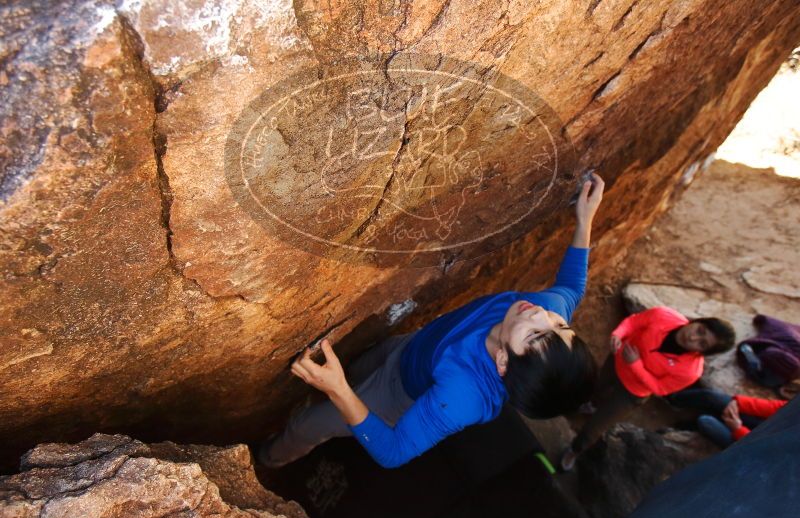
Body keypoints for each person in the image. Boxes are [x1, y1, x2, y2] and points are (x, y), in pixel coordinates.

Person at [256, 173, 606, 469]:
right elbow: (571, 288)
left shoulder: (463, 396)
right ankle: (340, 391)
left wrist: (338, 390)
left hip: (399, 395)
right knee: (359, 368)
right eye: (561, 325)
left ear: (502, 362)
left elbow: (393, 452)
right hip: (413, 347)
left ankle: (267, 459)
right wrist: (585, 220)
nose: (541, 314)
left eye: (536, 334)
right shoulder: (543, 311)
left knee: (309, 426)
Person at [559, 306, 736, 471]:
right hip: (616, 362)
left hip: (632, 393)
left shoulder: (690, 371)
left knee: (596, 427)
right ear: (699, 320)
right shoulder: (664, 315)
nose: (693, 338)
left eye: (702, 343)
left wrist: (636, 365)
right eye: (700, 330)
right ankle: (592, 404)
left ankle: (575, 450)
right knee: (597, 386)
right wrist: (618, 334)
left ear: (702, 352)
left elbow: (660, 389)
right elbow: (634, 321)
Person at [668, 387, 788, 448]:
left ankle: (675, 428)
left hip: (750, 445)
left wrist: (738, 429)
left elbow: (766, 449)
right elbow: (778, 407)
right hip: (764, 425)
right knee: (710, 396)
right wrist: (738, 403)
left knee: (706, 421)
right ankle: (670, 397)